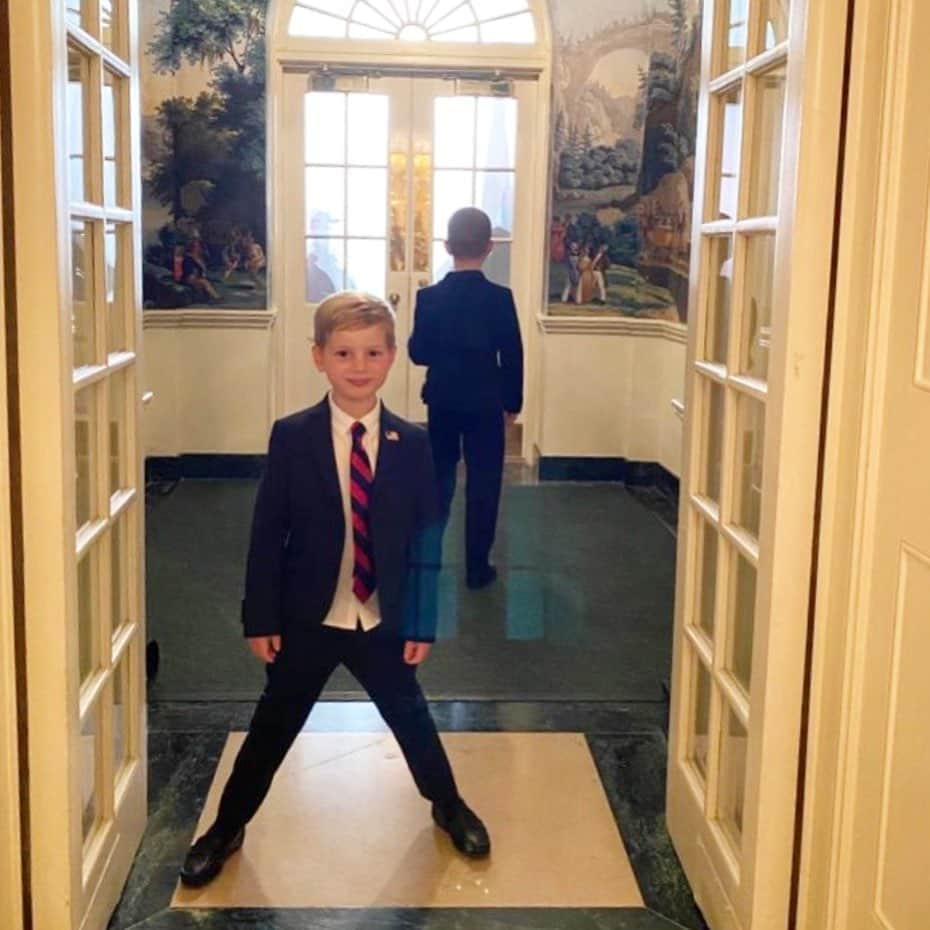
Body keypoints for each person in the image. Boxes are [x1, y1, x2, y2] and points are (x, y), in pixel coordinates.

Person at [179, 291, 490, 888]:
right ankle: (226, 825)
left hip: (382, 617)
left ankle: (447, 803)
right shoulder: (292, 437)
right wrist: (259, 616)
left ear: (393, 357)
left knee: (412, 719)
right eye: (343, 352)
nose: (359, 364)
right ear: (318, 356)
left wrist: (423, 621)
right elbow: (268, 532)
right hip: (308, 617)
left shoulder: (414, 443)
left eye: (373, 351)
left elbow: (428, 538)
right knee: (274, 724)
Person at [408, 207, 523, 590]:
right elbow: (513, 354)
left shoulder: (429, 298)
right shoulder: (500, 298)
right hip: (486, 402)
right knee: (484, 481)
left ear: (447, 246)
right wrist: (513, 403)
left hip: (441, 399)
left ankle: (431, 561)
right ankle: (477, 567)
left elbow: (418, 353)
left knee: (438, 478)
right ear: (490, 247)